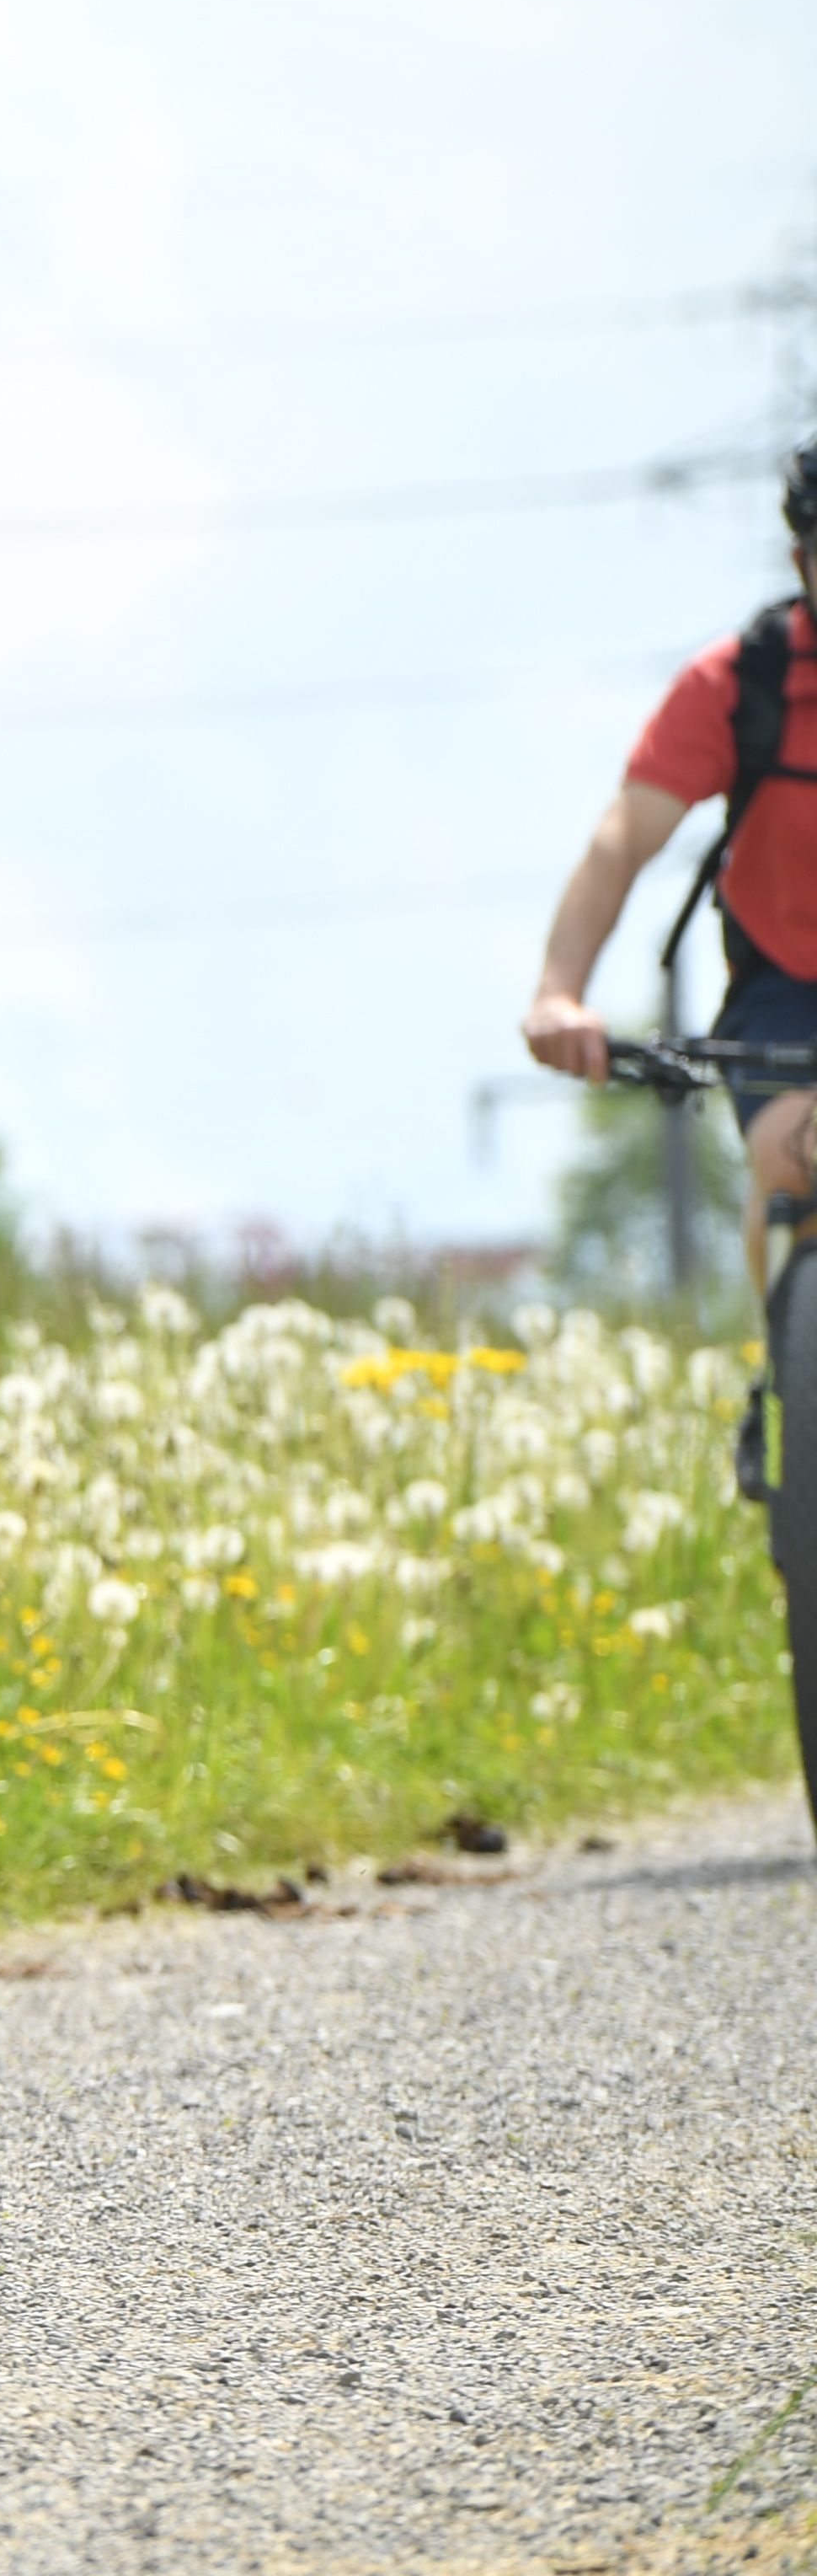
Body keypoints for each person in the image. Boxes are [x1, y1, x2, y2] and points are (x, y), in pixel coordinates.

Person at [521, 436, 817, 1830]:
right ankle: (798, 1372)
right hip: (791, 987)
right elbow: (622, 840)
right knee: (793, 1149)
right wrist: (559, 990)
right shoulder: (742, 685)